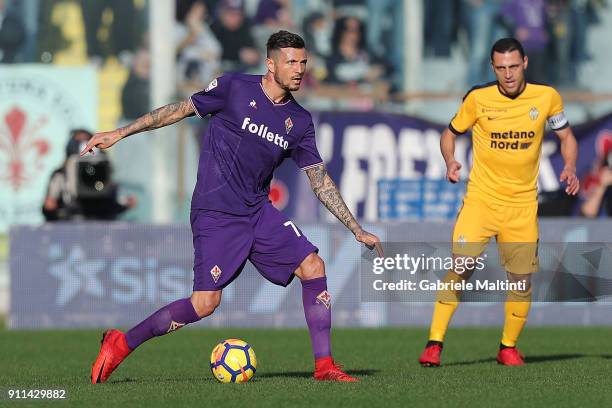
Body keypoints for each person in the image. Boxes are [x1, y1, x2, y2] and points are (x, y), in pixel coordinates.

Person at [85, 30, 383, 383]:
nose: (300, 69)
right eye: (291, 62)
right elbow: (179, 110)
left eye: (303, 62)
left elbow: (319, 180)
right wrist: (119, 133)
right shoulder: (234, 88)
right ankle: (122, 342)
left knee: (313, 265)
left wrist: (355, 228)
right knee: (204, 304)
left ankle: (325, 367)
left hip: (256, 211)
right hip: (216, 212)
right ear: (270, 64)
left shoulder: (299, 122)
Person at [418, 38, 579, 367]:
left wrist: (570, 165)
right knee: (461, 267)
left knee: (520, 281)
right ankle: (434, 343)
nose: (508, 74)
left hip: (521, 207)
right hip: (481, 201)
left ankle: (507, 347)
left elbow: (566, 136)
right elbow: (450, 133)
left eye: (513, 66)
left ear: (525, 64)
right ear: (493, 67)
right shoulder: (478, 98)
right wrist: (449, 161)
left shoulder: (546, 97)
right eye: (501, 68)